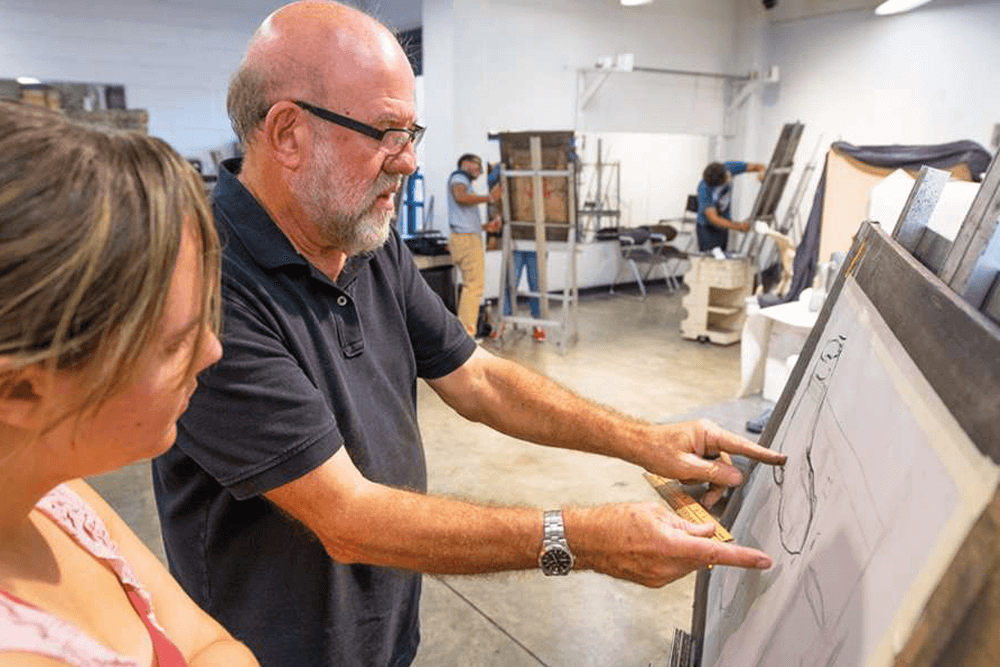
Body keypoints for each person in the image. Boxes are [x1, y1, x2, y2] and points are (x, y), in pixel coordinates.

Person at [151, 3, 788, 667]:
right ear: (286, 133)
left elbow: (478, 378)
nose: (407, 161)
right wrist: (580, 538)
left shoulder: (364, 241)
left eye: (411, 131)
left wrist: (643, 442)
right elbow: (346, 516)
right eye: (386, 132)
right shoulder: (208, 282)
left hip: (383, 633)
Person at [0, 101, 258, 667]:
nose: (211, 352)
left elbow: (212, 644)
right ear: (19, 390)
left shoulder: (54, 497)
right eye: (173, 344)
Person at [447, 153, 501, 336]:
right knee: (474, 287)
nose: (479, 173)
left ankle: (464, 333)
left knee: (470, 287)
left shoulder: (460, 178)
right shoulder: (459, 177)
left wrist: (486, 227)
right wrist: (490, 198)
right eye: (477, 168)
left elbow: (465, 217)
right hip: (467, 240)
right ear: (466, 163)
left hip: (465, 237)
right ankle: (466, 335)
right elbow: (460, 196)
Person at [696, 160, 766, 252]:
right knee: (709, 259)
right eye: (726, 178)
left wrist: (762, 173)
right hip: (706, 227)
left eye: (728, 174)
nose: (730, 176)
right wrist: (738, 226)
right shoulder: (704, 188)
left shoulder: (729, 167)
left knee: (722, 256)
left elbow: (759, 166)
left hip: (724, 222)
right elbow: (713, 218)